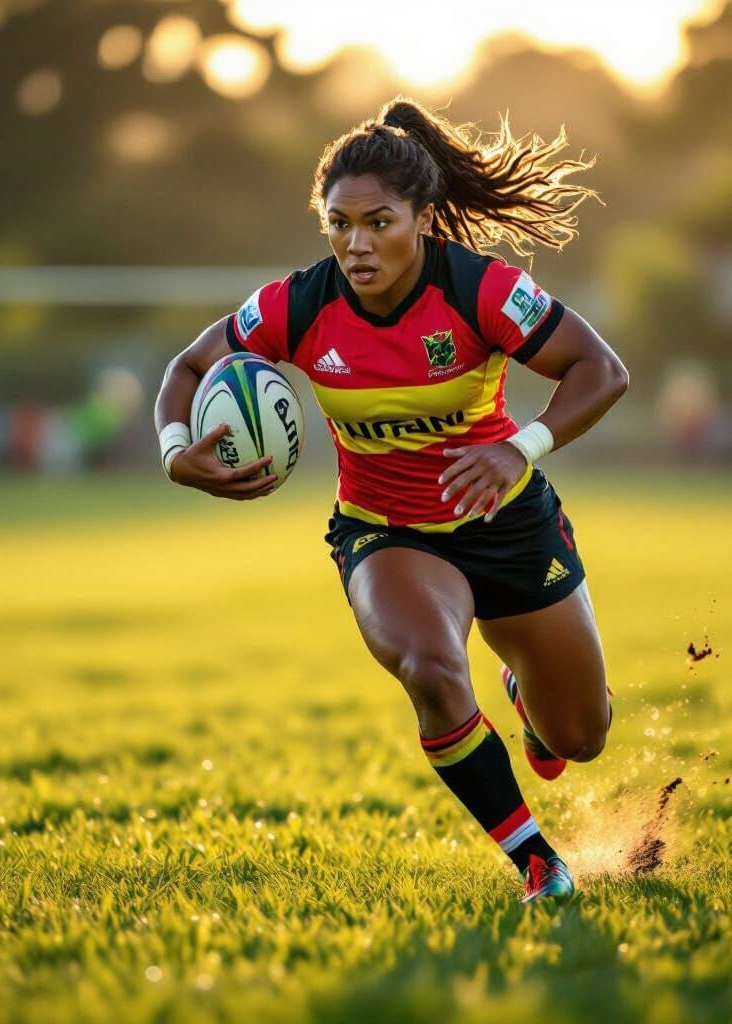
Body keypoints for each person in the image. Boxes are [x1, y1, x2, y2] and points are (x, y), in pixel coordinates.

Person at [154, 98, 628, 903]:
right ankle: (537, 862)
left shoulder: (481, 289)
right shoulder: (299, 305)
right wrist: (176, 454)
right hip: (388, 533)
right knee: (431, 669)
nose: (356, 244)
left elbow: (602, 370)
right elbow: (188, 370)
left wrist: (519, 447)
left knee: (581, 737)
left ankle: (529, 701)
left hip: (504, 517)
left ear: (422, 218)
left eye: (378, 223)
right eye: (339, 224)